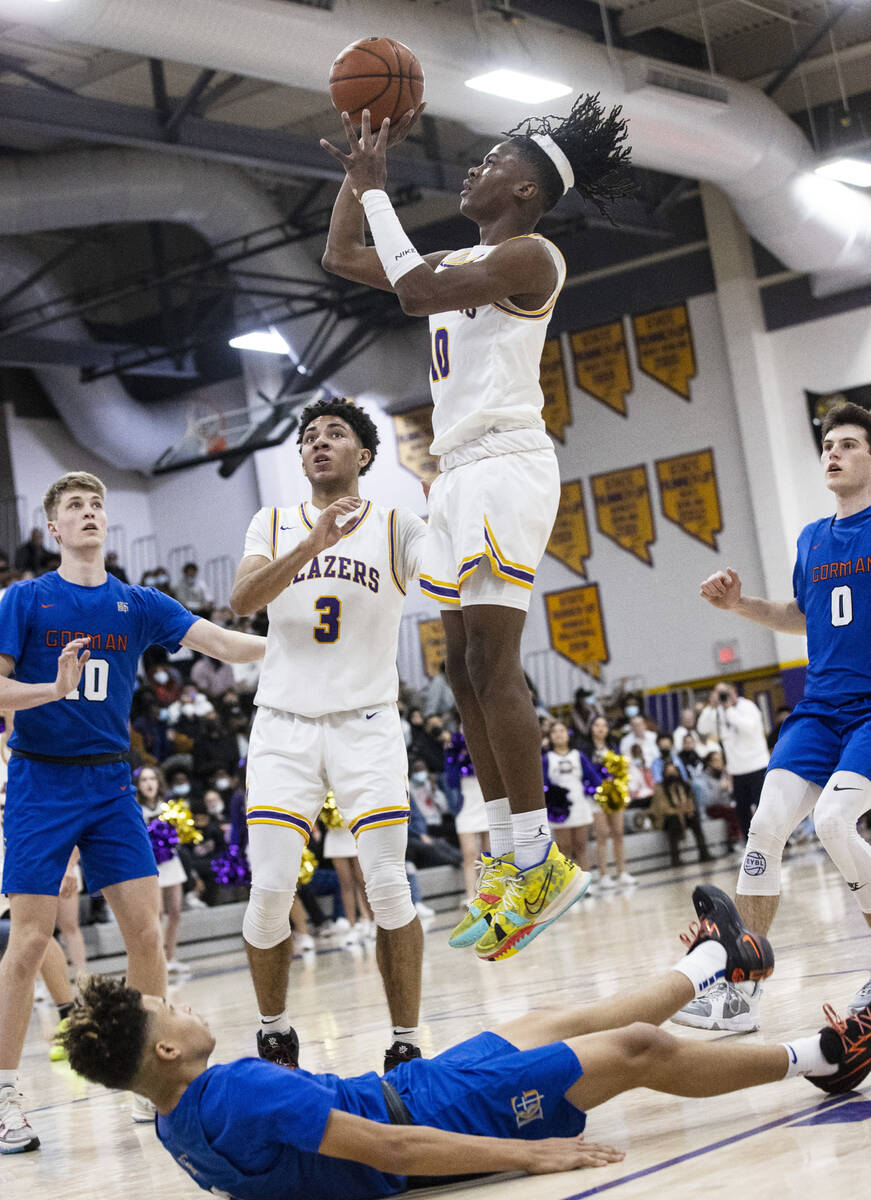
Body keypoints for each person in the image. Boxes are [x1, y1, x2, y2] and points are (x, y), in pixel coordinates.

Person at [321, 93, 634, 961]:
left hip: (503, 462)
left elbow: (415, 291)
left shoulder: (532, 255)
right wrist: (355, 182)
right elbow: (341, 253)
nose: (472, 168)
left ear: (528, 190)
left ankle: (539, 858)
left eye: (492, 160)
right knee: (457, 665)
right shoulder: (465, 253)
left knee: (492, 660)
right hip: (452, 474)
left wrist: (380, 189)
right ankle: (506, 853)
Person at [61, 887, 871, 1200]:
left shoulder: (176, 1124)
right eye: (168, 1009)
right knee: (630, 1049)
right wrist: (525, 1155)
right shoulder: (236, 1089)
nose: (182, 1005)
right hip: (445, 1113)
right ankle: (824, 1059)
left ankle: (712, 957)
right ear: (167, 1052)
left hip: (419, 1089)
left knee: (554, 1019)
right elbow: (390, 1147)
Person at [0, 470, 267, 1151]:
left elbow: (226, 644)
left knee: (146, 936)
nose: (88, 513)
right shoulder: (24, 599)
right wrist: (50, 688)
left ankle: (147, 1082)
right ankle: (3, 1096)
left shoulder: (138, 603)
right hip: (40, 781)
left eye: (96, 505)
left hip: (110, 785)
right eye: (74, 508)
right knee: (30, 942)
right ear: (53, 529)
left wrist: (309, 649)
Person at [230, 396, 427, 1074]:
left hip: (366, 722)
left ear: (364, 455)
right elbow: (244, 601)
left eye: (335, 433)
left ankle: (405, 1043)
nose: (318, 443)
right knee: (271, 890)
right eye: (309, 436)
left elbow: (454, 571)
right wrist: (311, 546)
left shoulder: (398, 525)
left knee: (388, 887)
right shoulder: (274, 520)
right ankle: (275, 1033)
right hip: (284, 724)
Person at [675, 402, 871, 1033]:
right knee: (764, 826)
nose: (833, 453)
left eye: (847, 444)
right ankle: (742, 992)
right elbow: (802, 614)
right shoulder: (813, 537)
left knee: (838, 819)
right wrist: (738, 606)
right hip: (817, 709)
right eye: (827, 446)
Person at [695, 683, 769, 839]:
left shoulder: (747, 706)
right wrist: (711, 707)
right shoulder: (719, 711)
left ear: (734, 692)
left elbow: (748, 729)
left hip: (757, 766)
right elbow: (702, 729)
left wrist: (729, 709)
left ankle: (775, 839)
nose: (723, 696)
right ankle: (750, 842)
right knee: (742, 811)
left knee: (764, 808)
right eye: (718, 693)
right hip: (736, 770)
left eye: (725, 692)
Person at [136, 765, 190, 976]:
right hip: (151, 867)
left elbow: (184, 834)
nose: (149, 783)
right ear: (138, 785)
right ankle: (157, 961)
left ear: (158, 782)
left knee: (175, 911)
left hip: (171, 863)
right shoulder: (136, 809)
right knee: (156, 914)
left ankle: (170, 957)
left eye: (152, 779)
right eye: (144, 780)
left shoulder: (170, 807)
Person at [544, 721, 594, 875]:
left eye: (562, 730)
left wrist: (590, 790)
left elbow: (593, 777)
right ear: (550, 737)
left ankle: (586, 880)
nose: (559, 734)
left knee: (581, 846)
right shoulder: (547, 758)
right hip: (559, 808)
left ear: (568, 735)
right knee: (563, 847)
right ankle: (569, 883)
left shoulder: (578, 756)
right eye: (555, 732)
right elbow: (543, 783)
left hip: (579, 803)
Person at [649, 763, 712, 868]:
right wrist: (678, 811)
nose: (672, 774)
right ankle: (675, 858)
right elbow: (662, 808)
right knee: (674, 822)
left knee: (694, 819)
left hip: (684, 813)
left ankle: (704, 852)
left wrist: (688, 810)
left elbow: (691, 801)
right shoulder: (660, 787)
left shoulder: (685, 785)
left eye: (673, 771)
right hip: (668, 817)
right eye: (669, 772)